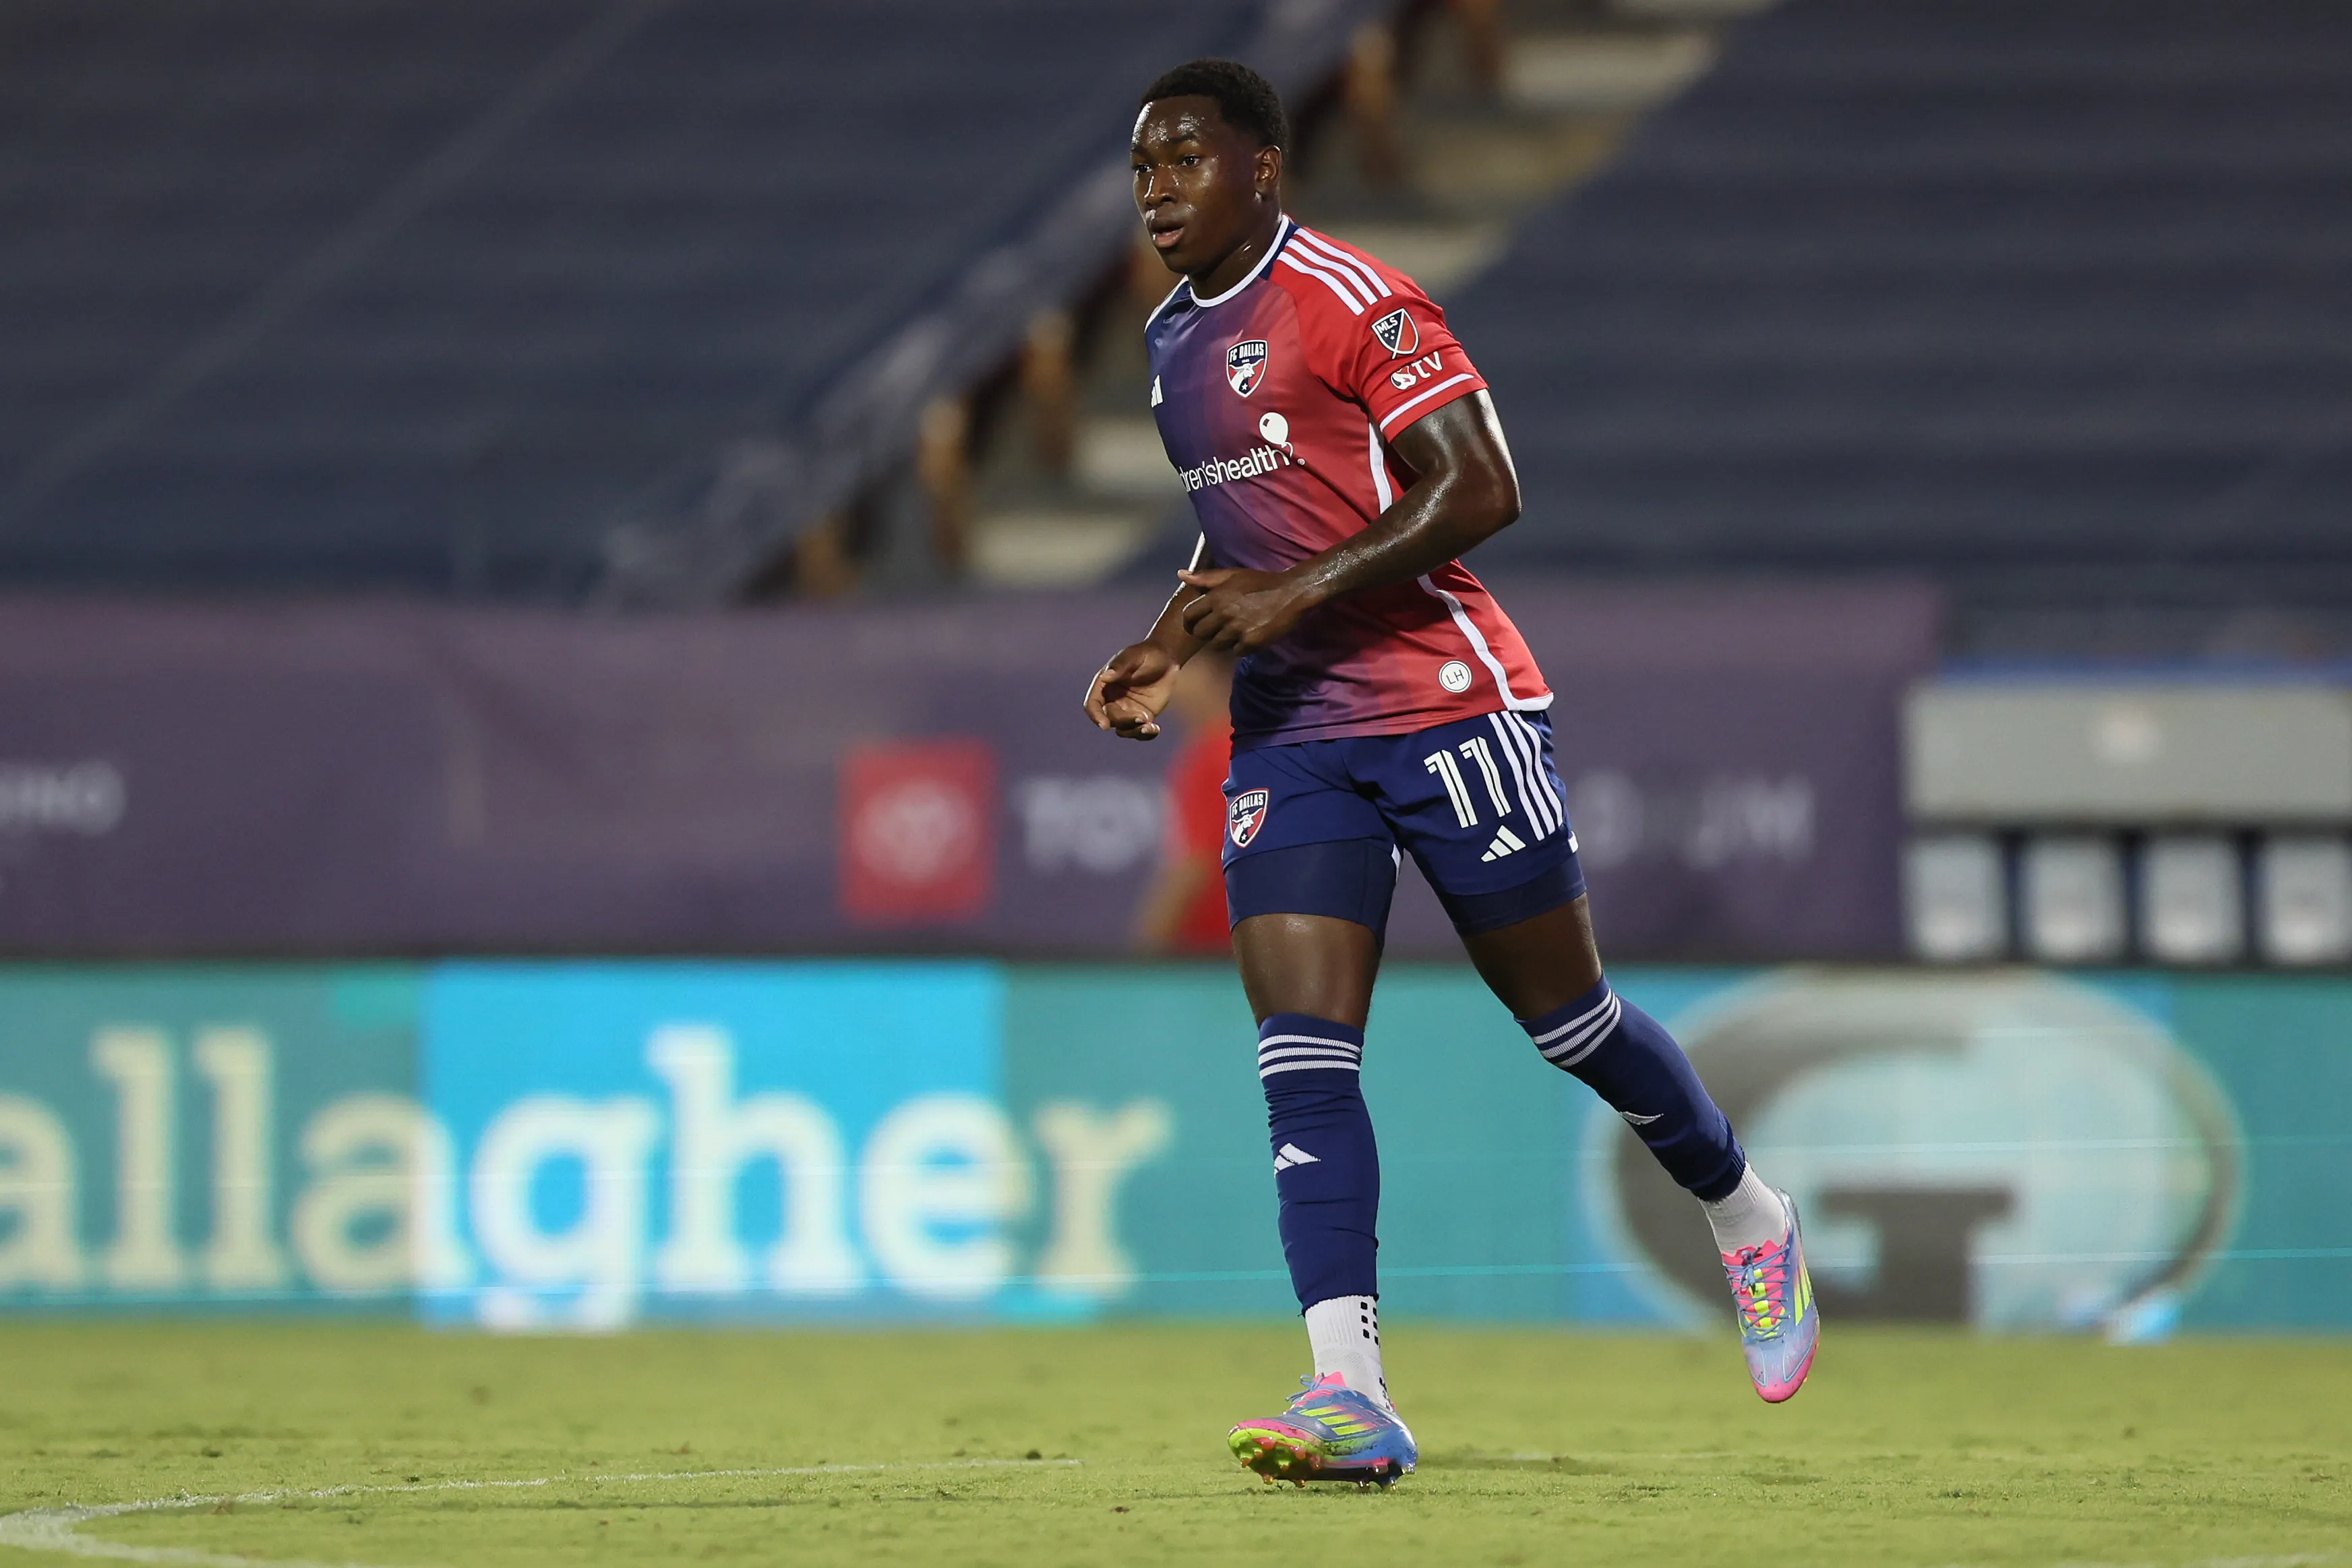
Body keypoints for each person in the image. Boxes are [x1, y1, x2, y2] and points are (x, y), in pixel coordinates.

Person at [1081, 59, 1819, 1488]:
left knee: (1565, 1019)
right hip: (1293, 735)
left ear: (1264, 168)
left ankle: (1743, 1211)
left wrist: (1295, 594)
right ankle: (1347, 1391)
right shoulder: (1173, 341)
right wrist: (1167, 642)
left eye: (1183, 162)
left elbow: (1480, 487)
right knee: (1300, 1056)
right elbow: (1241, 539)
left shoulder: (1356, 299)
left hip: (1446, 706)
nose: (1158, 192)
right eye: (1141, 171)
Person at [1132, 651, 1238, 955]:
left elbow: (1193, 869)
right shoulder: (1251, 744)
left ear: (1210, 674)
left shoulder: (1214, 754)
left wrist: (1143, 951)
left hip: (1214, 962)